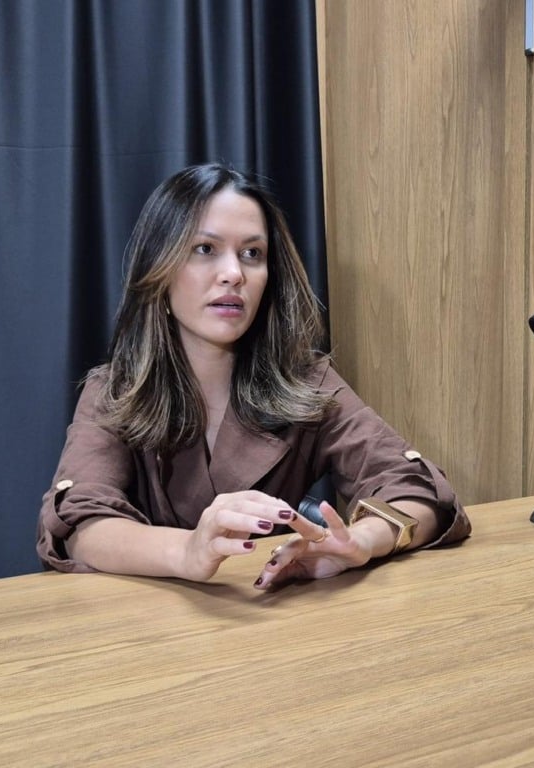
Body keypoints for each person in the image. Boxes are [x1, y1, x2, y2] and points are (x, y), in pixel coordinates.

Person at [37, 163, 470, 590]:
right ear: (160, 268)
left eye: (252, 254)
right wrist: (189, 551)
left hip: (269, 618)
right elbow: (82, 524)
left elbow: (416, 489)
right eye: (205, 249)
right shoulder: (114, 389)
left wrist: (363, 541)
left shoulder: (306, 381)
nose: (234, 274)